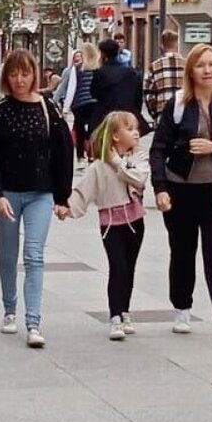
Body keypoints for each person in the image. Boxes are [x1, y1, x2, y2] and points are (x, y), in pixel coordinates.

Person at [0, 50, 73, 349]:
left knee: (34, 254)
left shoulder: (48, 109)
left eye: (25, 73)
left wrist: (62, 196)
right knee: (9, 252)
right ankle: (9, 307)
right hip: (7, 195)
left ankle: (33, 321)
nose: (19, 80)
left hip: (40, 193)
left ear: (34, 74)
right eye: (14, 74)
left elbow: (64, 152)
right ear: (6, 76)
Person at [150, 43, 212, 344]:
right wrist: (160, 188)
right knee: (182, 251)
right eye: (201, 65)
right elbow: (158, 148)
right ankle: (182, 307)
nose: (207, 70)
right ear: (190, 70)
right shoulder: (178, 105)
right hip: (181, 188)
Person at [59, 110, 149, 341]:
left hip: (135, 221)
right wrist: (66, 207)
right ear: (116, 136)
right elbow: (83, 190)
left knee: (129, 268)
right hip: (111, 223)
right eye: (130, 129)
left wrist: (117, 161)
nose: (136, 133)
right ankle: (115, 316)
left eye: (136, 128)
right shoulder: (98, 166)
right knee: (117, 267)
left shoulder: (138, 158)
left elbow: (139, 179)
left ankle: (125, 310)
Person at [54, 44, 99, 164]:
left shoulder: (77, 68)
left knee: (79, 128)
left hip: (79, 104)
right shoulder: (97, 68)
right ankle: (92, 153)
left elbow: (71, 89)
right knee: (93, 128)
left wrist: (66, 108)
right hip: (94, 102)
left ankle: (80, 156)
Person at [90, 39, 144, 132]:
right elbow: (138, 96)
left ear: (103, 54)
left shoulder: (100, 73)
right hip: (127, 115)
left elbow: (94, 93)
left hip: (106, 116)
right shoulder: (131, 72)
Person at [146, 30, 184, 123]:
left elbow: (149, 95)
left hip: (163, 115)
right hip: (184, 114)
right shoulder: (188, 65)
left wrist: (155, 114)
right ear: (177, 45)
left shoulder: (154, 66)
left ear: (162, 46)